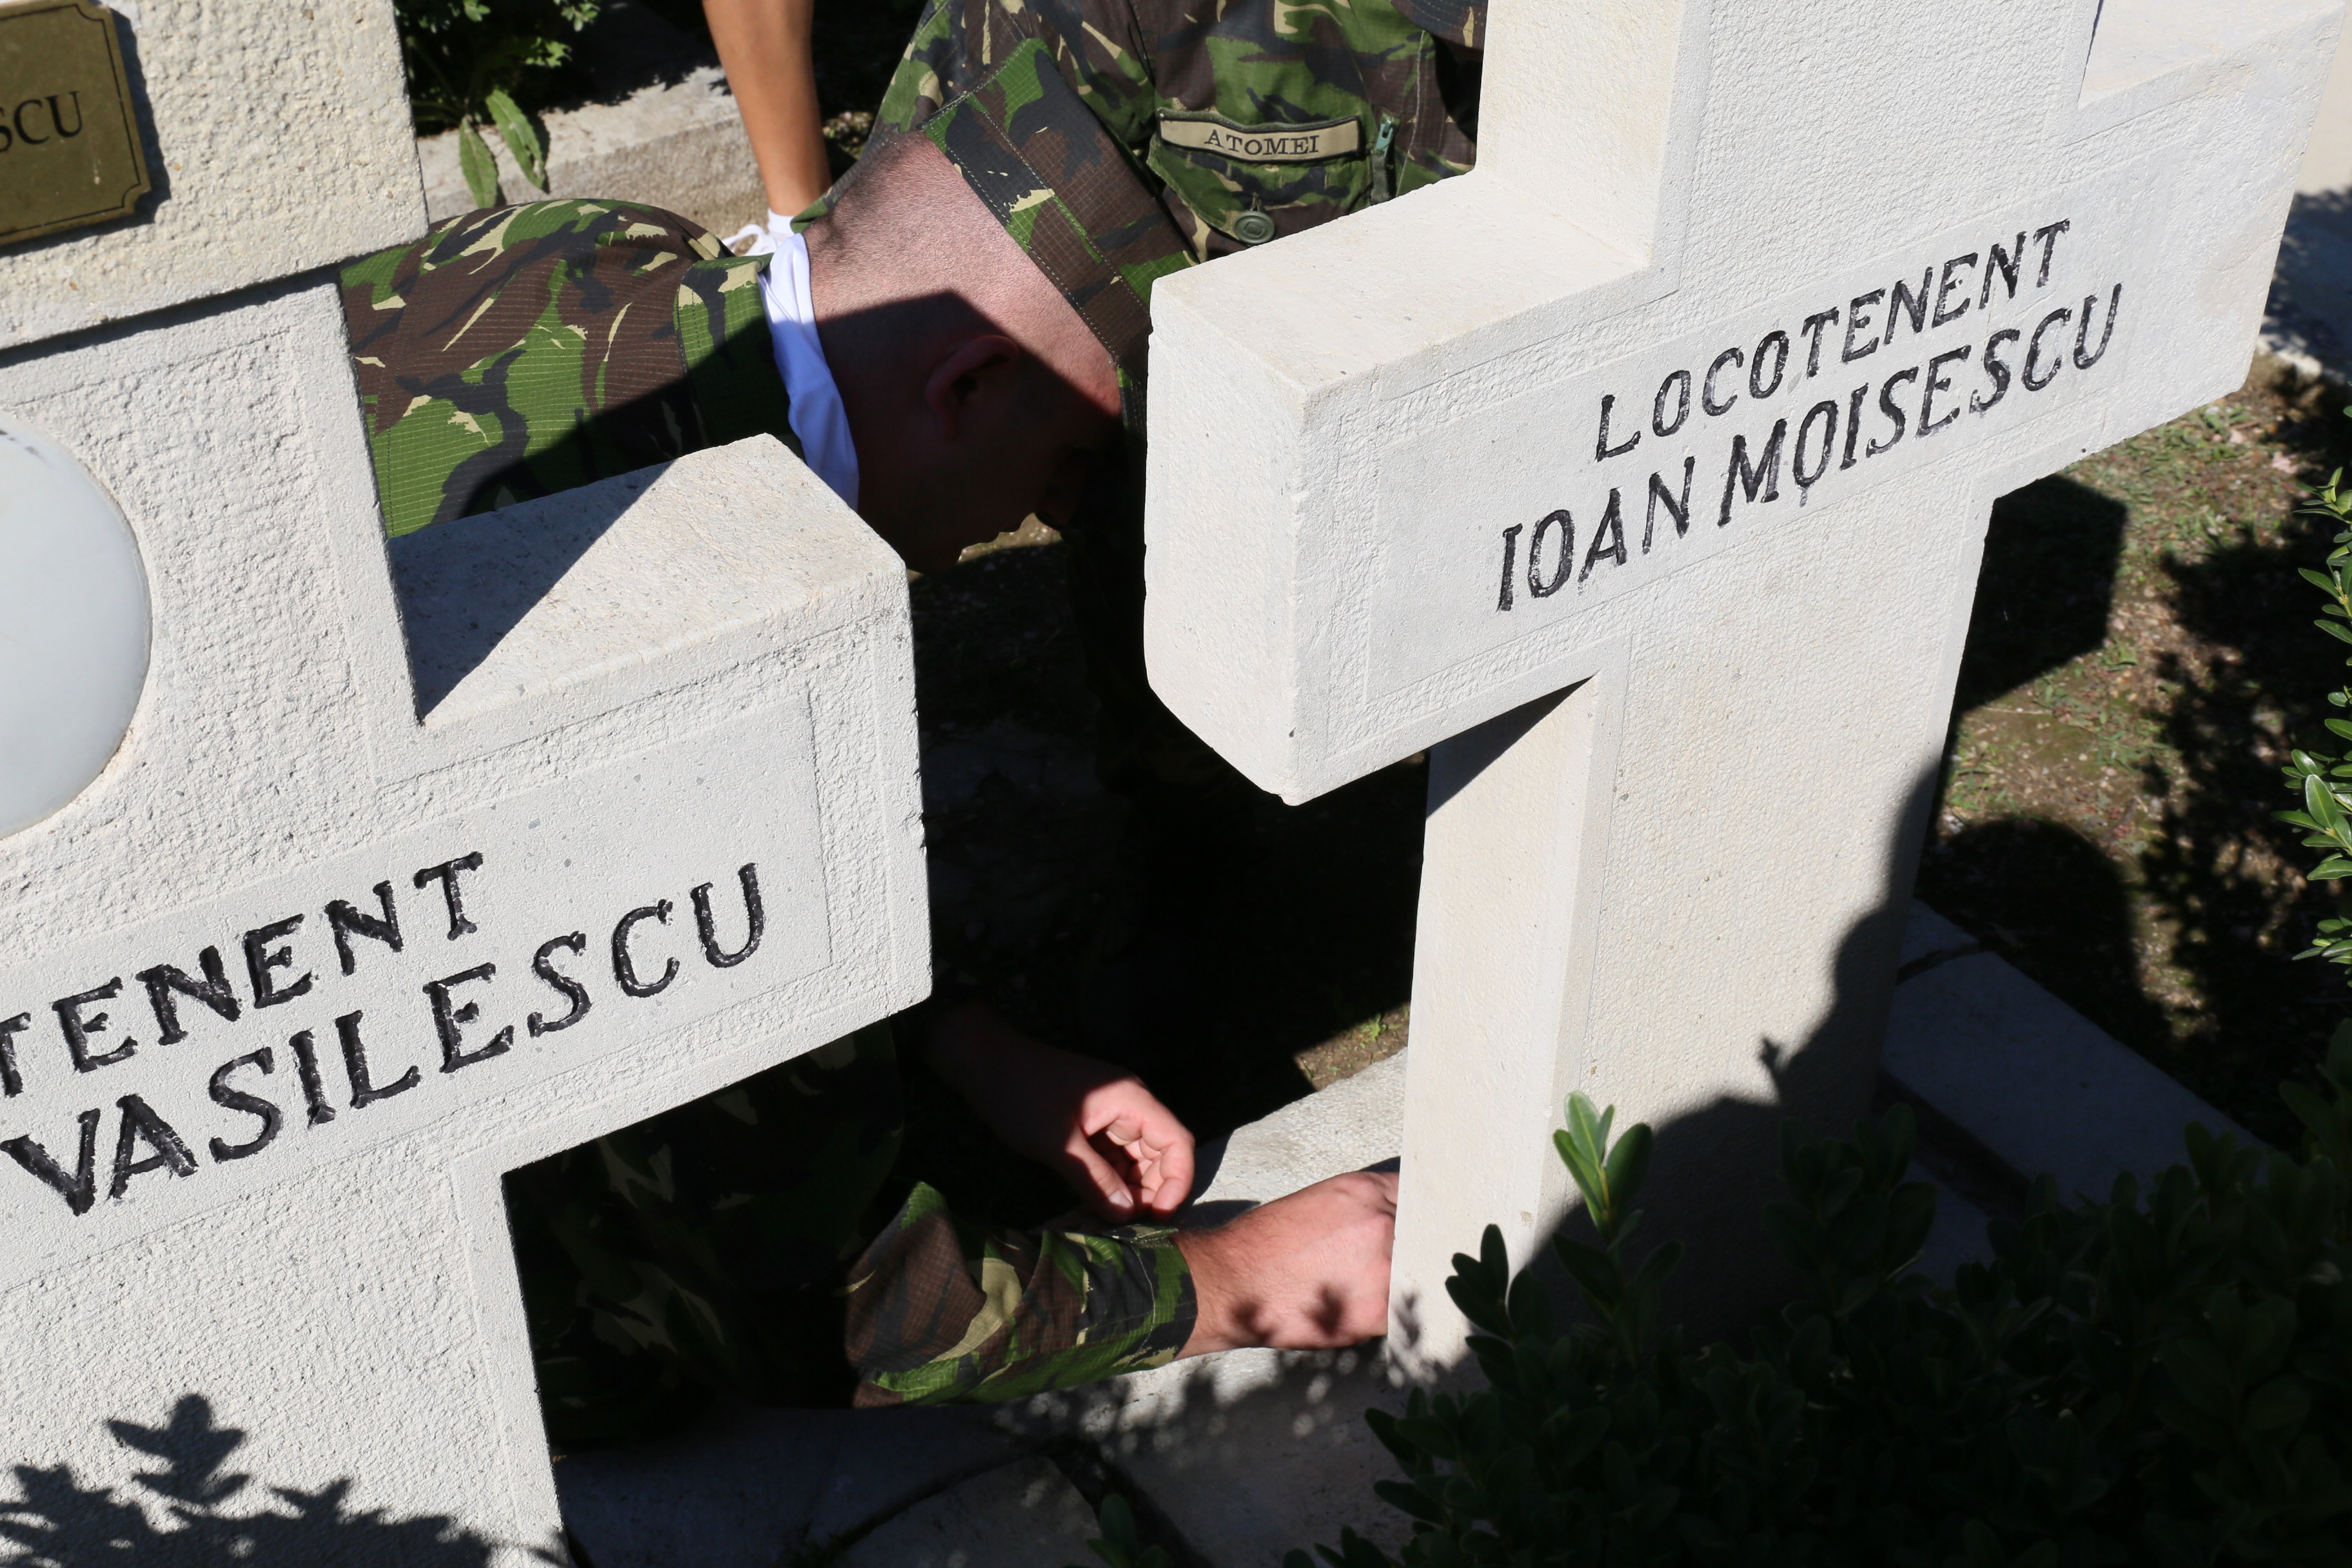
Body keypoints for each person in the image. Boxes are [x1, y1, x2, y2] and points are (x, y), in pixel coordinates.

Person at [340, 80, 1396, 1441]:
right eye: (1070, 455)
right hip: (329, 1181)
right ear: (965, 383)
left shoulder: (594, 246)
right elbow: (817, 1304)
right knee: (615, 1375)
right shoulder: (708, 646)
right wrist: (1226, 1276)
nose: (1054, 510)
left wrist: (966, 1041)